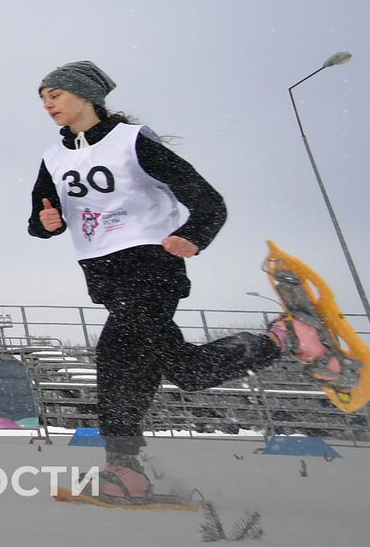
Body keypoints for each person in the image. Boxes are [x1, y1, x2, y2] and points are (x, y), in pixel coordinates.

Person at [28, 61, 340, 502]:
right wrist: (46, 222)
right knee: (186, 370)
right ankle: (284, 338)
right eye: (42, 96)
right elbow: (40, 221)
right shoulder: (54, 159)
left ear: (85, 96)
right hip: (105, 279)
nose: (47, 102)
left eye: (55, 93)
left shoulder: (131, 143)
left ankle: (123, 466)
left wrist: (194, 236)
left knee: (116, 350)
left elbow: (207, 199)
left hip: (153, 266)